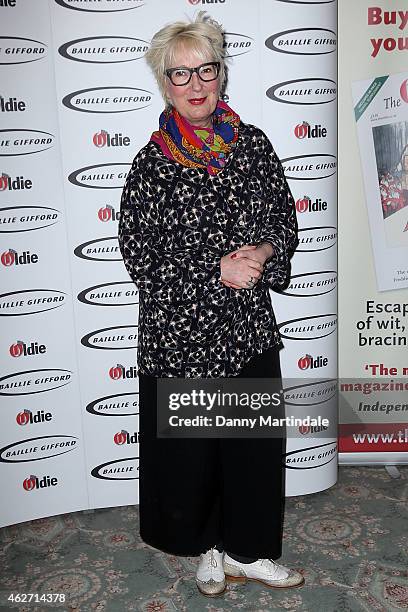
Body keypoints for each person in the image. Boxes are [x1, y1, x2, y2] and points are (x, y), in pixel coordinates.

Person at [118, 11, 303, 597]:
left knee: (249, 451)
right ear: (163, 83)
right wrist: (213, 269)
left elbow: (284, 219)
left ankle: (249, 551)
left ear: (222, 73)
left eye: (207, 69)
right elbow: (140, 256)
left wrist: (264, 249)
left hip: (246, 329)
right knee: (199, 459)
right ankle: (211, 551)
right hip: (182, 338)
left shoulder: (252, 145)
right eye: (180, 74)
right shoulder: (151, 164)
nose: (196, 84)